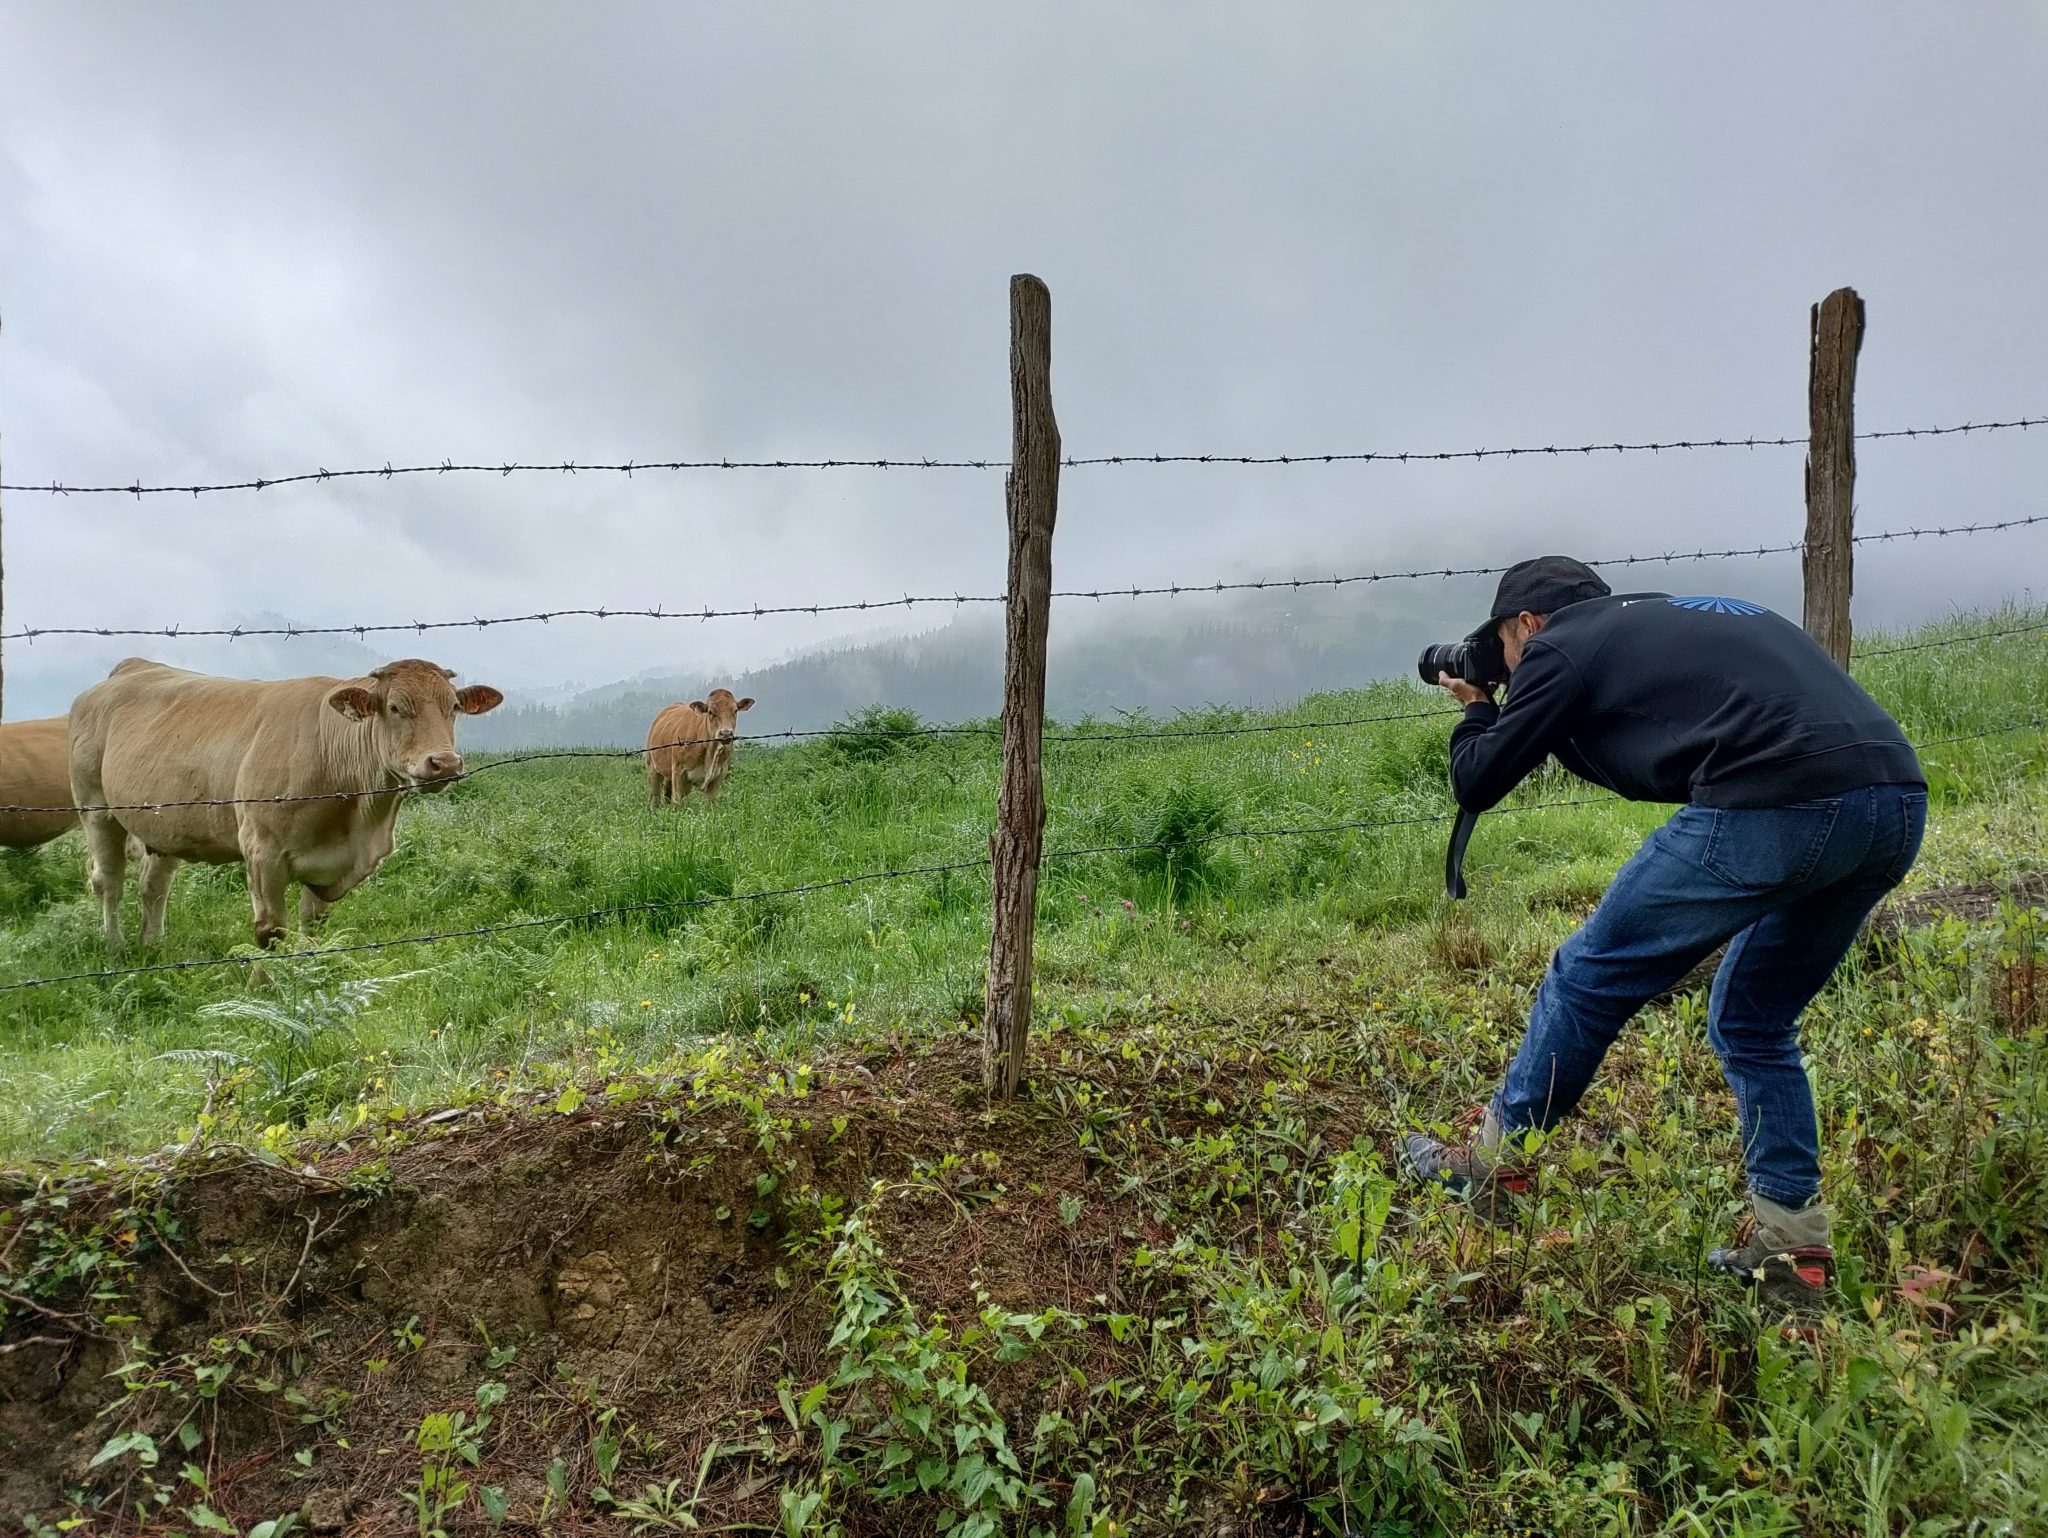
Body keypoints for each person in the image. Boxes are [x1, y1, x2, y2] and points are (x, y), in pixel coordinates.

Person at [1401, 556, 1927, 1322]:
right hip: (1895, 801)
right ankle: (1792, 1255)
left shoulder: (1557, 644)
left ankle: (1493, 1167)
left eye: (1504, 647)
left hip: (1777, 800)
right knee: (1754, 1021)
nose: (1509, 664)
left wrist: (1479, 707)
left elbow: (1477, 781)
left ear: (1527, 624)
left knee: (1587, 973)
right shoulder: (1665, 618)